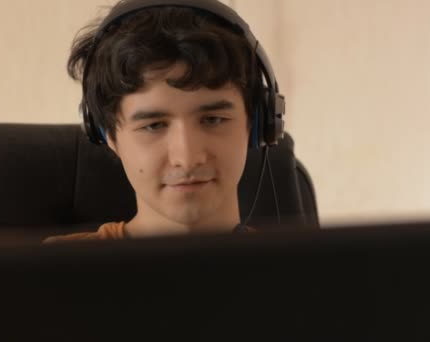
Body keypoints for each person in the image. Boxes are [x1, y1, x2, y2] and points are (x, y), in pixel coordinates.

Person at [44, 0, 285, 242]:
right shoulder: (48, 271)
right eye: (153, 125)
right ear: (107, 134)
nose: (187, 159)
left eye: (213, 119)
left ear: (257, 124)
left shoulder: (302, 272)